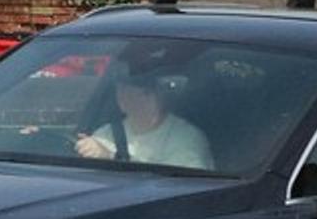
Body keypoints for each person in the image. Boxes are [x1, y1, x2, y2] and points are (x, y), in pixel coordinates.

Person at [74, 69, 213, 170]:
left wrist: (111, 157)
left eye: (131, 91)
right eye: (120, 90)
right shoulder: (106, 133)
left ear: (154, 96)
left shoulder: (185, 137)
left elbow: (180, 187)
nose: (122, 96)